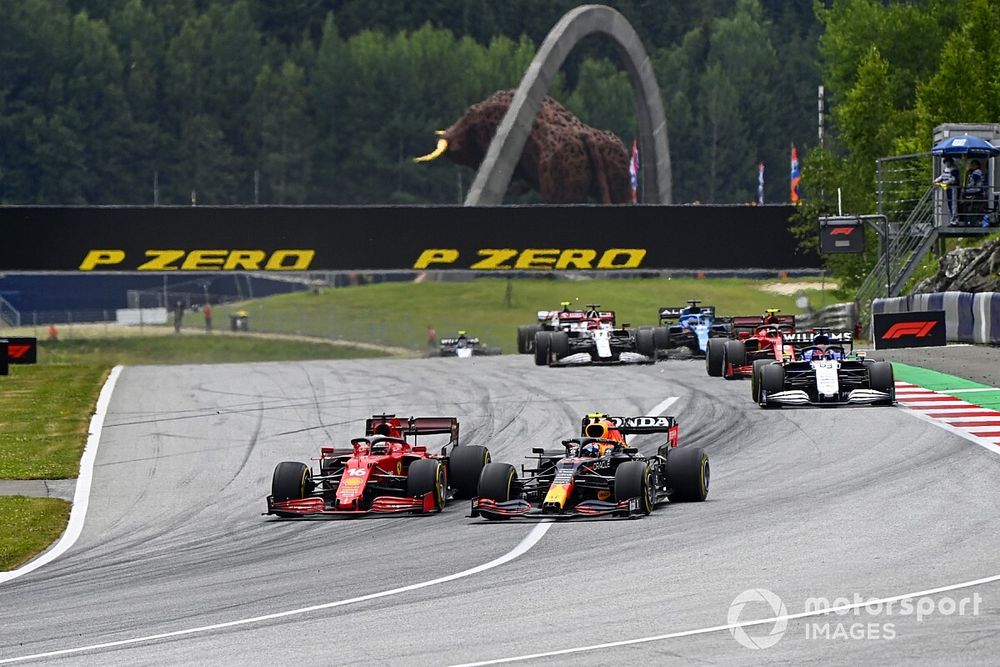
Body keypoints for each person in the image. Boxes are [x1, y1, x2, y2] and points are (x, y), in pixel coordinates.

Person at [934, 157, 959, 224]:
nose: (947, 163)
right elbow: (942, 176)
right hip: (947, 188)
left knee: (953, 204)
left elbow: (953, 179)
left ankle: (955, 219)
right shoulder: (945, 169)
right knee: (949, 203)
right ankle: (951, 219)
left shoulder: (954, 169)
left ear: (951, 162)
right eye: (946, 162)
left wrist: (944, 183)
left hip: (953, 188)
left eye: (948, 161)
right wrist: (936, 180)